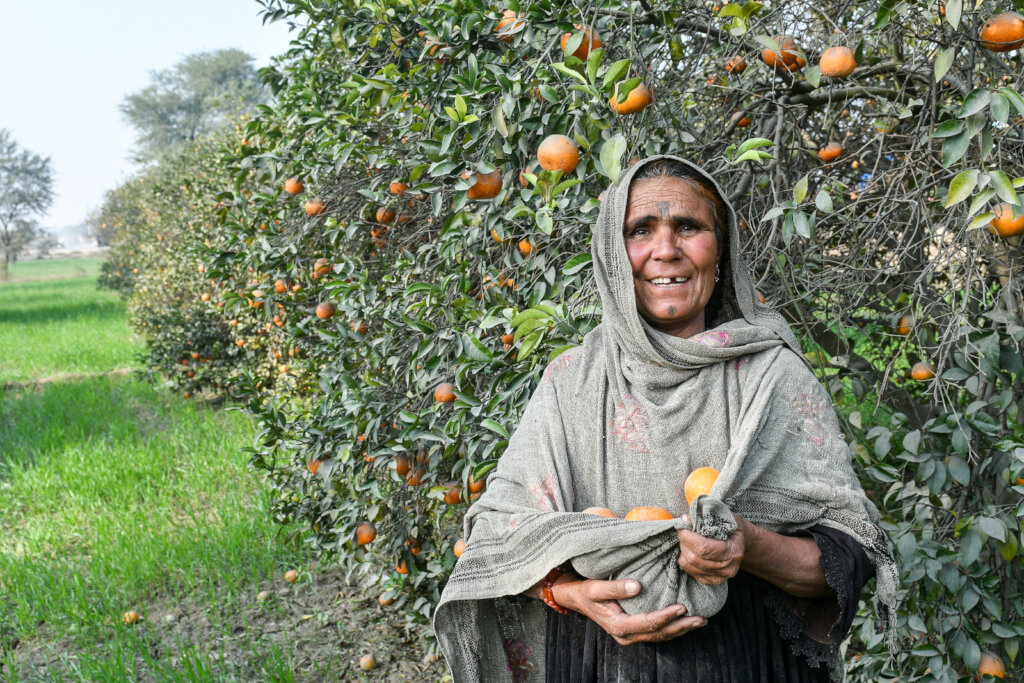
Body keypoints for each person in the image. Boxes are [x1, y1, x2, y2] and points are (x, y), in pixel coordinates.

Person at [433, 156, 898, 682]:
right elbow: (497, 534)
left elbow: (848, 559)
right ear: (612, 254)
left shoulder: (772, 377)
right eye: (640, 230)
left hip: (749, 664)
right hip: (597, 662)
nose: (665, 250)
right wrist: (569, 592)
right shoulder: (571, 383)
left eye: (688, 227)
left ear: (720, 250)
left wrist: (747, 544)